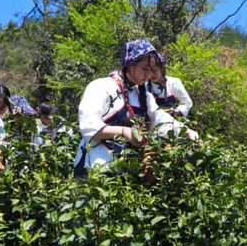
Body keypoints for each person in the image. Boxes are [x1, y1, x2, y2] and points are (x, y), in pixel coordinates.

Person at [73, 39, 199, 178]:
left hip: (123, 172)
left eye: (151, 70)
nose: (149, 75)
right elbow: (88, 125)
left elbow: (160, 120)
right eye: (144, 69)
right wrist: (124, 132)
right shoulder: (101, 86)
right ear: (130, 63)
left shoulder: (143, 95)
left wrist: (187, 131)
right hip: (93, 167)